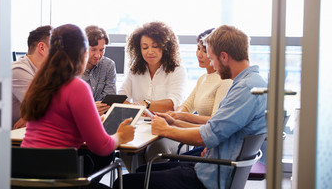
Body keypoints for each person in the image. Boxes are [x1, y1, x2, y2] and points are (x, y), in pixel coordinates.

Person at [113, 25, 268, 189]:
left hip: (209, 175)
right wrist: (174, 122)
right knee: (142, 170)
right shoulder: (251, 83)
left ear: (223, 56)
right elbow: (215, 127)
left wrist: (164, 130)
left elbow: (205, 136)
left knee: (124, 183)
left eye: (212, 58)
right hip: (213, 163)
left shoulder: (244, 89)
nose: (213, 66)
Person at [20, 24, 135, 188]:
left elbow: (55, 125)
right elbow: (102, 147)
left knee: (88, 163)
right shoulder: (76, 87)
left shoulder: (39, 82)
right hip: (59, 179)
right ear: (82, 53)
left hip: (26, 177)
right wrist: (121, 136)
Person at [118, 21, 188, 171]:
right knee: (126, 147)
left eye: (155, 46)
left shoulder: (177, 70)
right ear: (138, 48)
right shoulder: (134, 70)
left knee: (156, 150)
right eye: (145, 47)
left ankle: (150, 182)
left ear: (166, 46)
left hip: (168, 127)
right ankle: (138, 181)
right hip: (140, 127)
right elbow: (121, 96)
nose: (150, 51)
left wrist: (146, 104)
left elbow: (173, 102)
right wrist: (130, 107)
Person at [166, 29, 232, 127]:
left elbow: (215, 120)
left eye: (205, 51)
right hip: (199, 132)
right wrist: (174, 115)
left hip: (208, 137)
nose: (199, 54)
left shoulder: (225, 81)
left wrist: (184, 117)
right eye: (198, 48)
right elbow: (187, 105)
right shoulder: (202, 78)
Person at [12, 25, 52, 129]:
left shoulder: (45, 72)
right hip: (7, 139)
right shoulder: (18, 70)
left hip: (26, 133)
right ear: (42, 48)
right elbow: (45, 110)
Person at [82, 25, 117, 115]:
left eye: (101, 50)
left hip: (102, 117)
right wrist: (90, 108)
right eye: (93, 50)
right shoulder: (71, 67)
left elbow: (109, 100)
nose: (98, 55)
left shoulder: (108, 65)